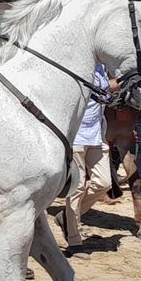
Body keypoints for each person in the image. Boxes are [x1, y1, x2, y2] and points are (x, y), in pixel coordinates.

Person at [54, 66, 112, 252]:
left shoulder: (102, 68)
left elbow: (107, 88)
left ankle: (67, 216)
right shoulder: (79, 64)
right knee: (77, 187)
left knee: (104, 182)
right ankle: (74, 240)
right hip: (77, 135)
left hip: (97, 134)